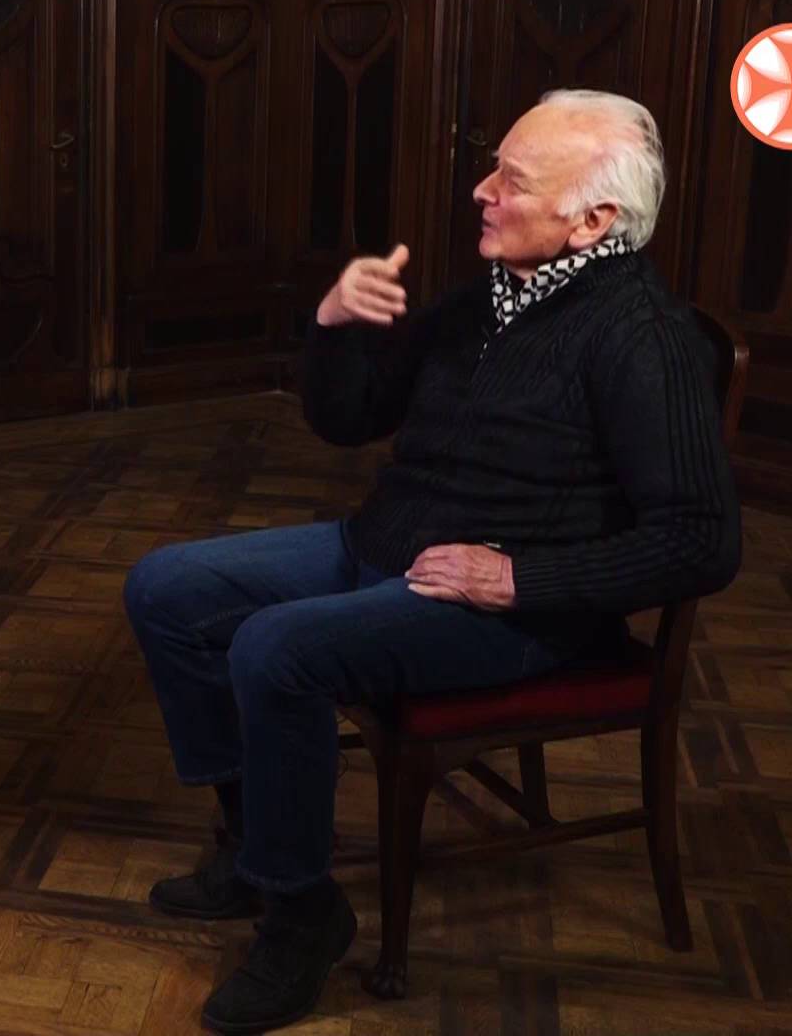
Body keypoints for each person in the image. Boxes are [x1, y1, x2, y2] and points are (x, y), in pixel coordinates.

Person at [122, 88, 741, 1033]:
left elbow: (702, 539)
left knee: (274, 649)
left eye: (513, 181)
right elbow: (350, 420)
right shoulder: (486, 298)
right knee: (164, 588)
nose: (482, 191)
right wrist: (333, 323)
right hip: (384, 548)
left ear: (592, 221)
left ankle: (300, 916)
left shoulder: (641, 339)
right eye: (494, 169)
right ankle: (254, 848)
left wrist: (519, 579)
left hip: (516, 614)